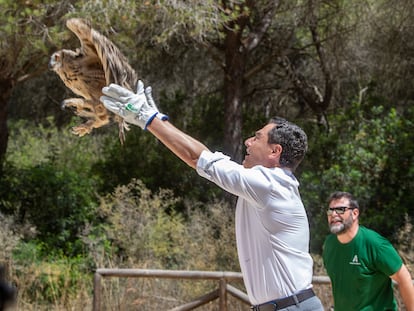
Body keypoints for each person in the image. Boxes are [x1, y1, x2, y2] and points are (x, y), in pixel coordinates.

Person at [100, 81, 324, 311]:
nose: (248, 141)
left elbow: (199, 158)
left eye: (257, 137)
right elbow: (206, 158)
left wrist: (149, 118)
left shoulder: (269, 185)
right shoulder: (267, 185)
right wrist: (160, 123)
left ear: (275, 151)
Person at [323, 191, 414, 311]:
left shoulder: (375, 244)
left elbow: (404, 278)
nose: (333, 214)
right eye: (330, 210)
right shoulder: (329, 244)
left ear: (355, 213)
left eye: (340, 210)